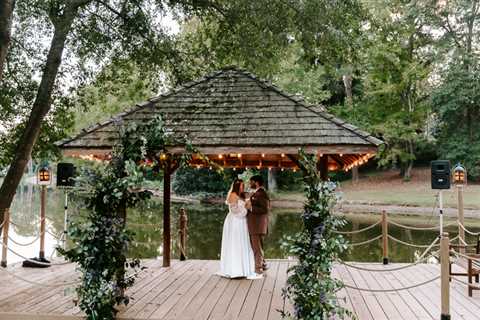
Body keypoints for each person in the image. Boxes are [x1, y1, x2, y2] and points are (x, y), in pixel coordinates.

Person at [218, 179, 257, 279]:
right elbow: (234, 210)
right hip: (235, 222)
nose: (242, 188)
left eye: (243, 186)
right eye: (241, 186)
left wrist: (248, 204)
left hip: (241, 222)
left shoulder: (241, 195)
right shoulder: (233, 195)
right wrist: (245, 211)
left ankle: (243, 269)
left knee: (243, 243)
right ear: (237, 186)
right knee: (235, 243)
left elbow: (244, 206)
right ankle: (234, 269)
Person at [245, 175, 270, 277]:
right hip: (255, 225)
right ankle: (263, 265)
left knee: (257, 248)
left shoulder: (262, 194)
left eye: (251, 182)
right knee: (258, 246)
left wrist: (251, 208)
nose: (250, 184)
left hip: (257, 225)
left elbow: (265, 209)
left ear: (256, 182)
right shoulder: (257, 193)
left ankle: (258, 269)